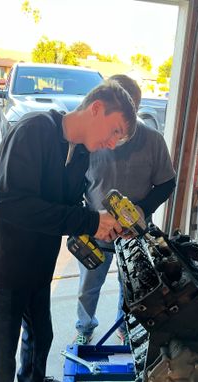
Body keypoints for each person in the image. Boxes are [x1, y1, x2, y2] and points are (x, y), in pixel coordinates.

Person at [0, 79, 137, 382]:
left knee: (40, 334)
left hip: (37, 264)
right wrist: (89, 221)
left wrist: (100, 225)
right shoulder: (34, 131)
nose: (112, 143)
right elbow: (9, 204)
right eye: (115, 131)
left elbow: (66, 206)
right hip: (2, 263)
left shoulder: (81, 153)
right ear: (96, 109)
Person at [75, 75, 176, 345]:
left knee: (132, 286)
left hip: (134, 234)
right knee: (88, 285)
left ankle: (128, 327)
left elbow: (168, 182)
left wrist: (141, 210)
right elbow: (76, 183)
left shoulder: (153, 141)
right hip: (96, 229)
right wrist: (85, 219)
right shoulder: (91, 139)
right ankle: (84, 327)